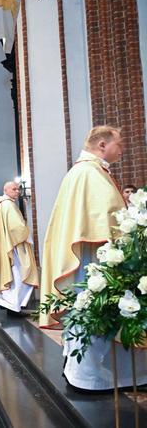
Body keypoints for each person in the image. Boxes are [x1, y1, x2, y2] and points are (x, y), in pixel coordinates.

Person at [40, 125, 147, 390]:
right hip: (95, 262)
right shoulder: (89, 174)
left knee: (92, 312)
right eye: (118, 144)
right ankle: (90, 378)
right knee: (97, 313)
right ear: (101, 144)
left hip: (92, 261)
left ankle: (91, 375)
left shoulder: (87, 172)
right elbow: (106, 220)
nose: (121, 149)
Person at [0, 182, 39, 314]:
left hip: (10, 245)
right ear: (5, 190)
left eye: (18, 189)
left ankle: (11, 305)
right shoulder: (8, 205)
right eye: (14, 189)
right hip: (15, 247)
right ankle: (13, 306)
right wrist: (26, 231)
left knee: (14, 275)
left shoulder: (3, 204)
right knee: (20, 274)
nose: (17, 191)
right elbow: (16, 228)